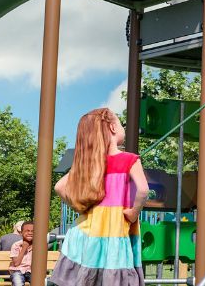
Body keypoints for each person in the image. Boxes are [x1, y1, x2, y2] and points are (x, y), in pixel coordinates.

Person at [51, 108, 149, 286]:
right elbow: (143, 190)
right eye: (120, 123)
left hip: (88, 232)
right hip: (115, 230)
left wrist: (80, 207)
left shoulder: (90, 163)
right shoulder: (129, 159)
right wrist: (134, 213)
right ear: (112, 127)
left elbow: (59, 187)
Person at [7, 222, 34, 286]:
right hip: (17, 271)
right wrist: (24, 248)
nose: (30, 233)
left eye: (32, 231)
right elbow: (16, 264)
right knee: (17, 282)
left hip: (32, 272)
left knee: (39, 281)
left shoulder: (38, 246)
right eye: (27, 231)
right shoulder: (16, 245)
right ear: (21, 233)